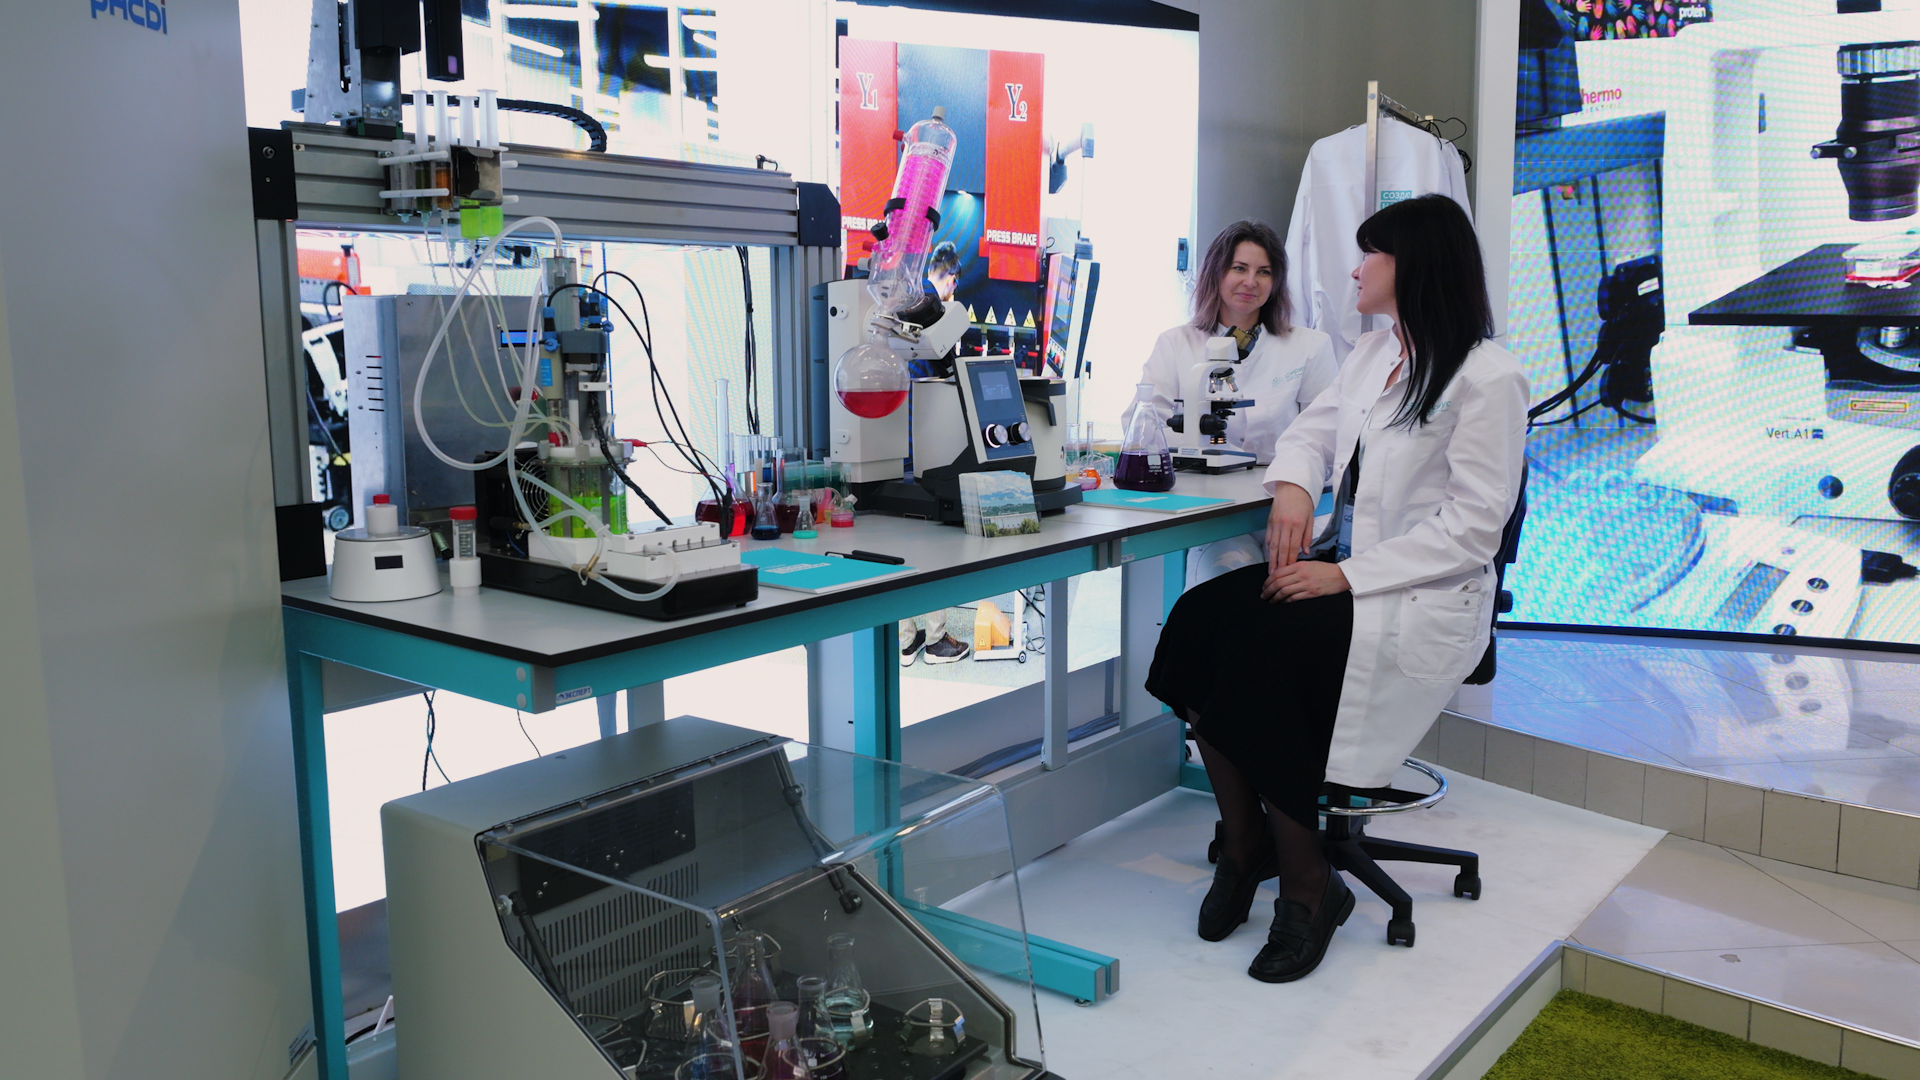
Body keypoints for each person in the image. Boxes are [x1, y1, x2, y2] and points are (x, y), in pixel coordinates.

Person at [1145, 195, 1527, 983]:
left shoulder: (1489, 378)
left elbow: (1472, 529)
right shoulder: (1373, 353)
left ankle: (1310, 887)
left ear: (1413, 267)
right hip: (1344, 571)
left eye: (1371, 255)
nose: (1356, 271)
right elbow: (1313, 433)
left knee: (1265, 660)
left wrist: (1345, 575)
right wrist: (1293, 485)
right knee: (1198, 622)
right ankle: (1246, 845)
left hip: (1412, 593)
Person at [1122, 221, 1337, 585]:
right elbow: (1142, 425)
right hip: (1211, 512)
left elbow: (1329, 436)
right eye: (1239, 268)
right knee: (1228, 587)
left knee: (1289, 598)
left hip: (1287, 505)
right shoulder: (1176, 343)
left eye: (1264, 272)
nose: (1250, 282)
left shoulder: (1309, 346)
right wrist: (1200, 449)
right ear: (1216, 273)